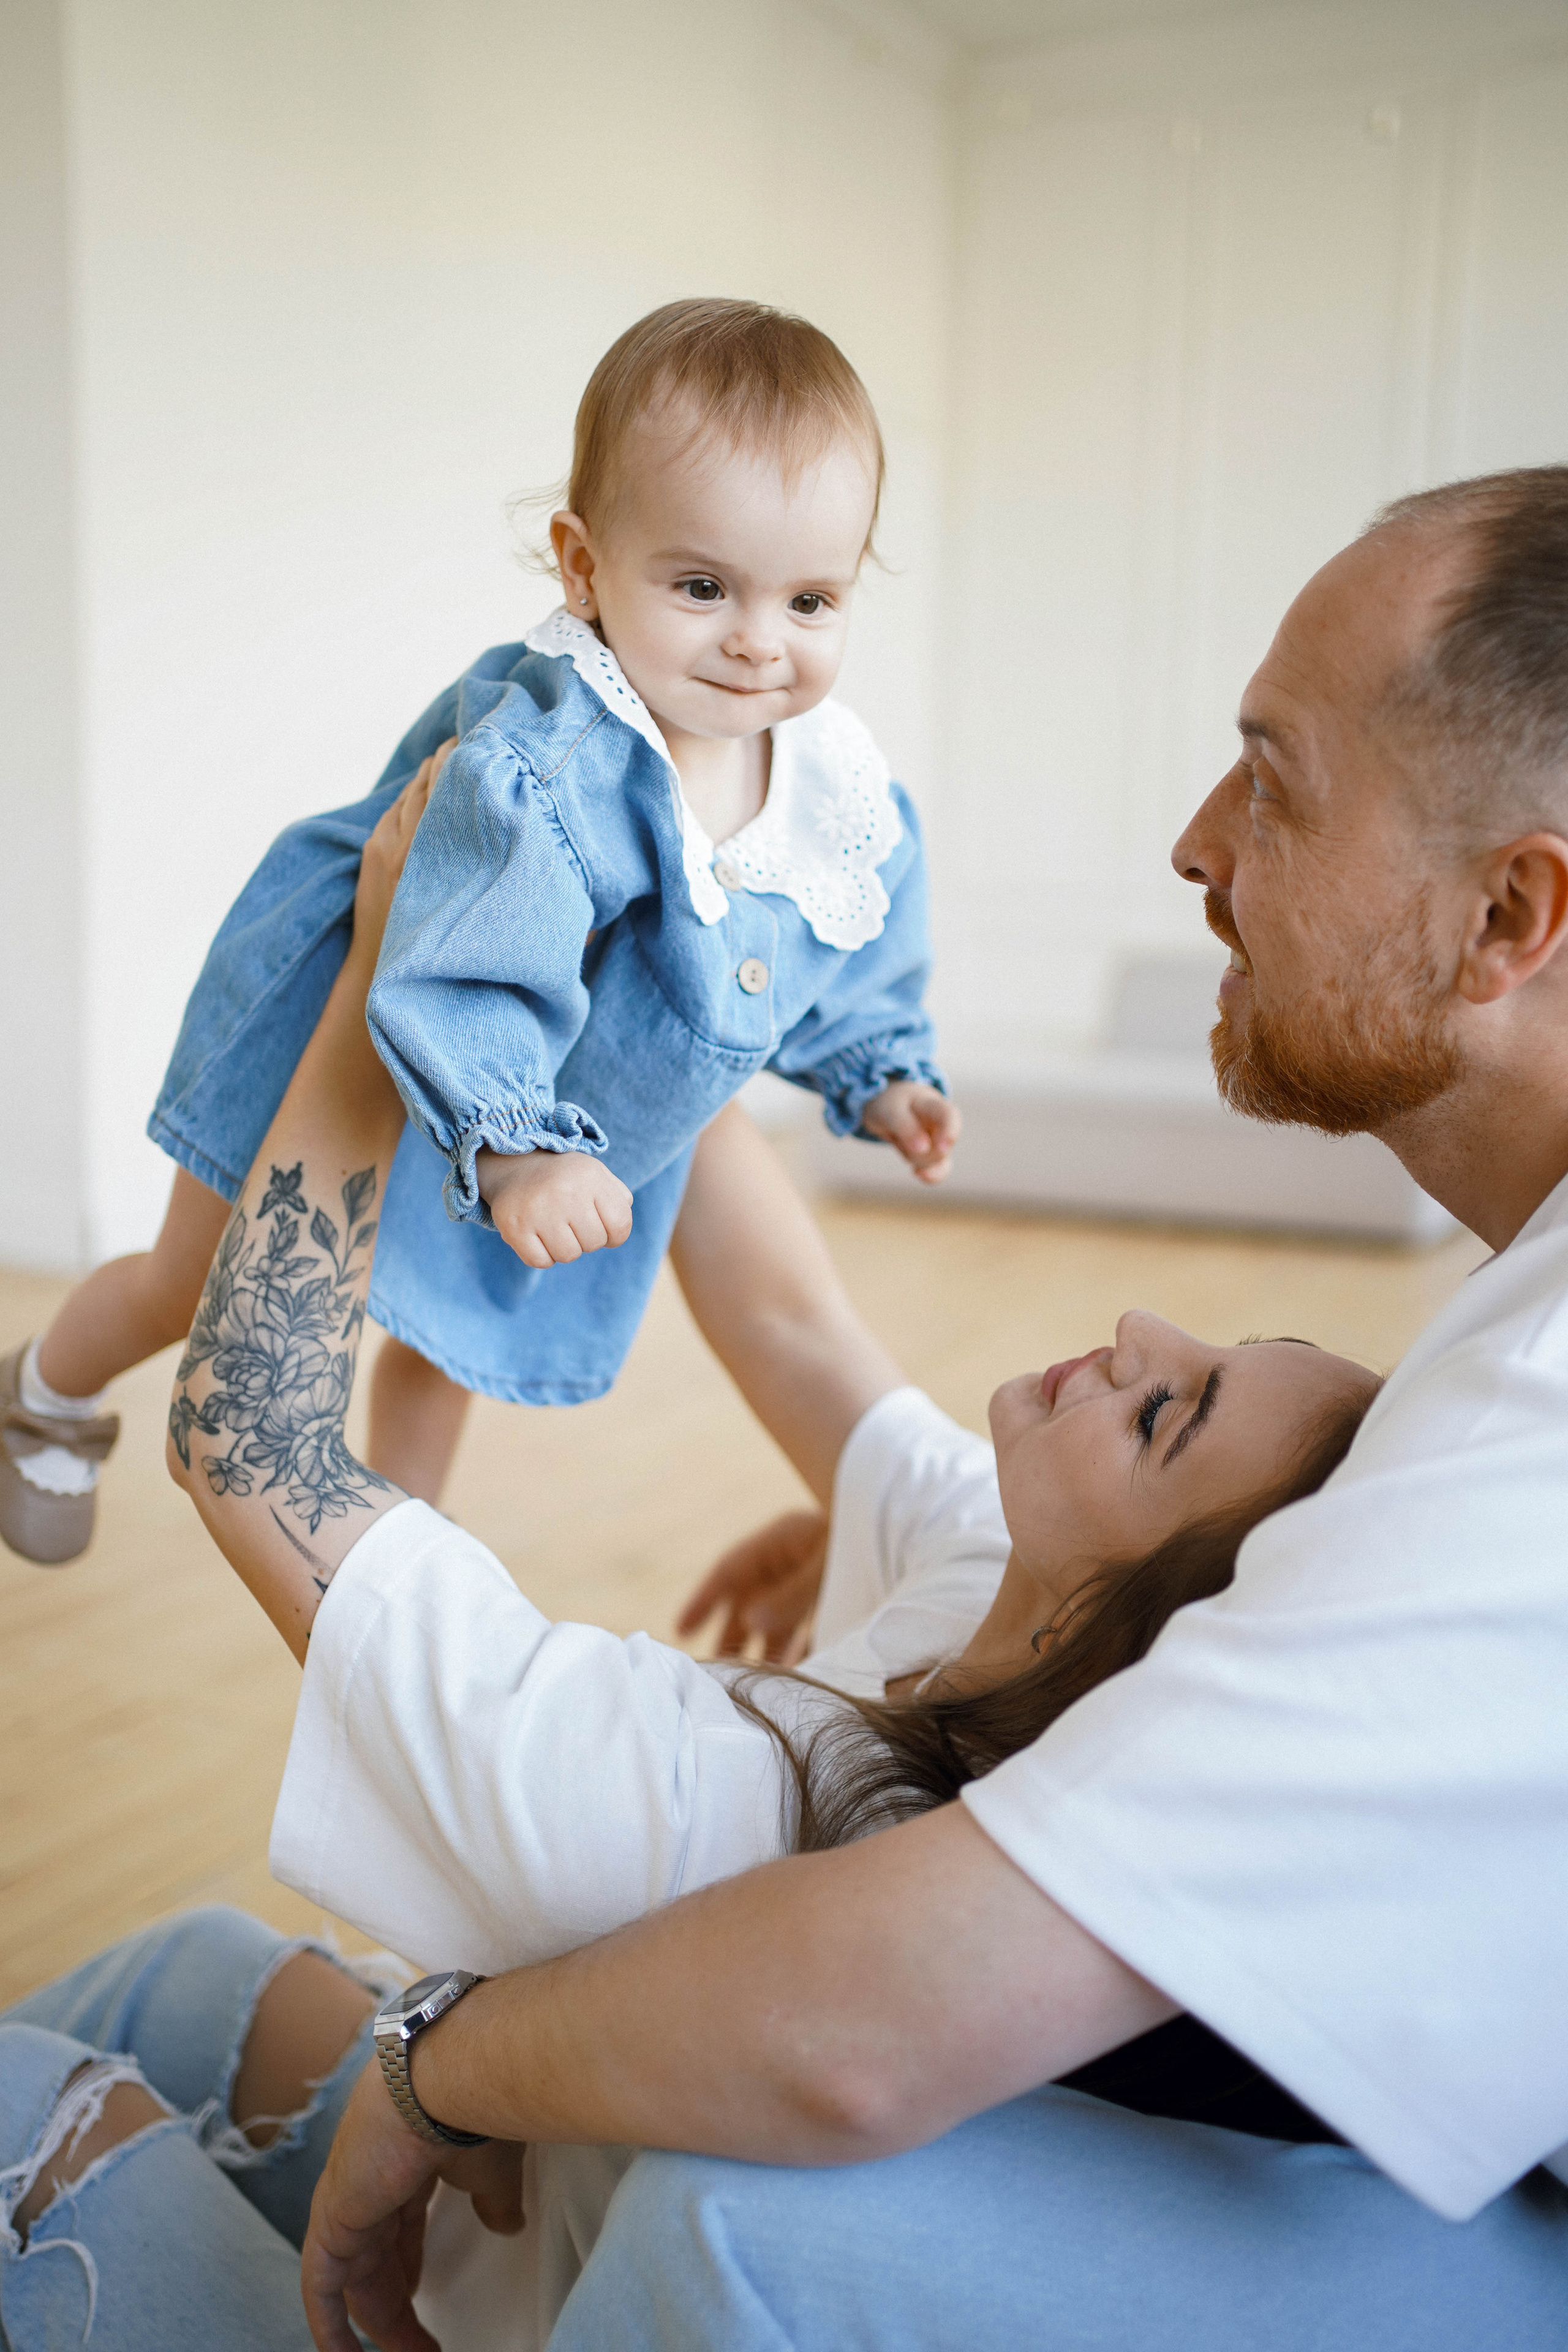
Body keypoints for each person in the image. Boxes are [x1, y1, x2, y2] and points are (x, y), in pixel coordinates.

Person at [282, 464, 1568, 2352]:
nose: (1199, 844)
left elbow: (870, 2031)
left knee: (732, 2192)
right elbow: (801, 1334)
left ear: (1508, 916)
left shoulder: (1527, 1447)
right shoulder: (1473, 1348)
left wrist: (429, 2066)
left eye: (1274, 779)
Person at [0, 769, 1379, 2346]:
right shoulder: (1008, 1591)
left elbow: (250, 1434)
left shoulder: (708, 1807)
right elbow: (785, 1317)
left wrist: (402, 982)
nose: (1142, 1332)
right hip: (502, 2243)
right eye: (1218, 1342)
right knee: (187, 1966)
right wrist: (668, 901)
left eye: (1168, 1418)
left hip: (474, 2323)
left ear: (1133, 1629)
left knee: (24, 2097)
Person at [0, 296, 957, 1566]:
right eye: (700, 586)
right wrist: (511, 1149)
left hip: (550, 1090)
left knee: (446, 1335)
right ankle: (45, 1390)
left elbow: (828, 941)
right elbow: (470, 957)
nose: (755, 643)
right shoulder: (548, 758)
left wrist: (876, 1069)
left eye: (811, 601)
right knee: (210, 1274)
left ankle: (394, 1557)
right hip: (389, 1014)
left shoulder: (828, 784)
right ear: (581, 565)